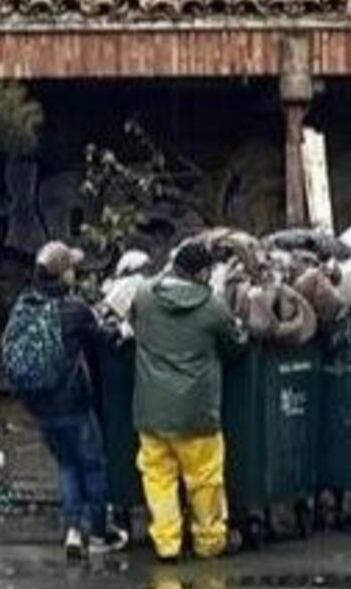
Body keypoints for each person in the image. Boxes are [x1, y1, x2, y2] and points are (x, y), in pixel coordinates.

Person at [8, 242, 128, 559]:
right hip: (73, 402)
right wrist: (123, 330)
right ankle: (101, 535)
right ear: (64, 275)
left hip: (39, 404)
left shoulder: (25, 304)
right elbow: (106, 338)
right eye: (72, 267)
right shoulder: (75, 309)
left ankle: (74, 531)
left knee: (66, 465)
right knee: (93, 465)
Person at [131, 239, 245, 562]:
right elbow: (235, 346)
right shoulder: (213, 307)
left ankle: (167, 544)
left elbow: (134, 325)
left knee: (158, 479)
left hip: (151, 412)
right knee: (205, 481)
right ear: (204, 272)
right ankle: (209, 543)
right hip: (197, 414)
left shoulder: (144, 296)